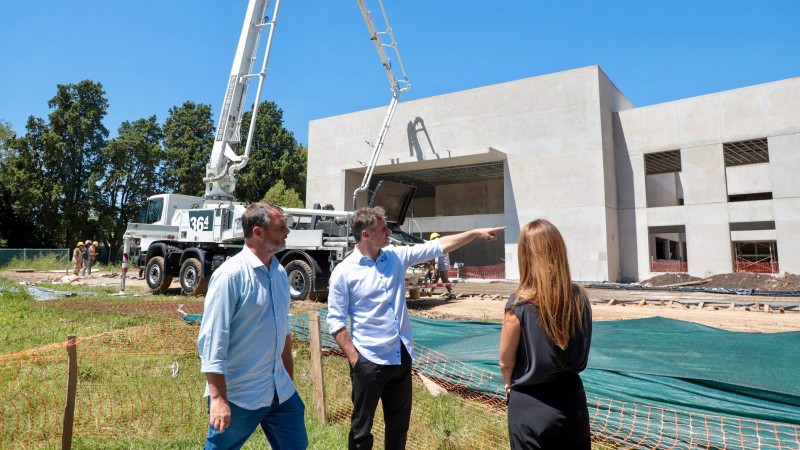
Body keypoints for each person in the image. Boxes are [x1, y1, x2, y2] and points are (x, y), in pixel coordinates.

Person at [327, 206, 504, 450]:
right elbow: (335, 321)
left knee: (399, 428)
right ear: (366, 235)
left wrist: (473, 233)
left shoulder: (395, 257)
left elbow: (437, 246)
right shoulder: (344, 272)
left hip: (400, 358)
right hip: (369, 361)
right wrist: (357, 360)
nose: (389, 232)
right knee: (361, 430)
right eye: (383, 229)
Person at [197, 203, 308, 450]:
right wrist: (217, 398)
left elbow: (283, 330)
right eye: (281, 228)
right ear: (258, 233)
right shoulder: (230, 276)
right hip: (240, 394)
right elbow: (213, 340)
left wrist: (288, 381)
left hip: (280, 392)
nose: (287, 232)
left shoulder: (279, 273)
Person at [498, 219, 593, 450]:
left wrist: (510, 385)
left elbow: (505, 361)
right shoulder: (580, 298)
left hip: (530, 405)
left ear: (525, 255)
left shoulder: (518, 305)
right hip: (573, 401)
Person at [427, 232, 454, 299]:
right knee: (435, 279)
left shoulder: (439, 246)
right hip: (439, 265)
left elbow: (433, 256)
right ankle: (430, 291)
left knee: (445, 280)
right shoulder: (441, 244)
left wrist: (431, 265)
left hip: (443, 265)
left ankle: (451, 293)